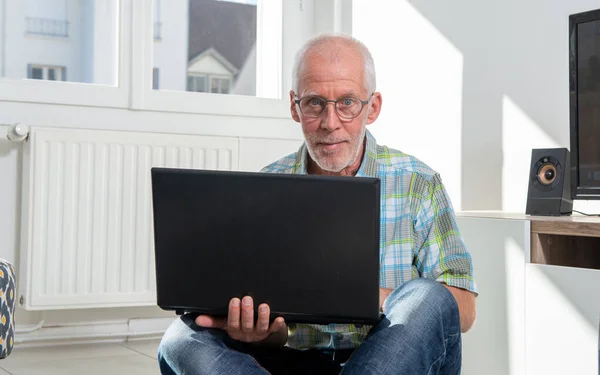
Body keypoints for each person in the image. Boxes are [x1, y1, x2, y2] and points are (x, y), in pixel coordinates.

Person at [157, 33, 478, 375]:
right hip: (295, 361)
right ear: (294, 107)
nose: (330, 122)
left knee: (428, 298)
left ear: (373, 108)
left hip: (389, 359)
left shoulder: (418, 183)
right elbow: (278, 335)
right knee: (182, 339)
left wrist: (375, 297)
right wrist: (264, 331)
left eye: (347, 103)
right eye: (314, 103)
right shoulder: (267, 184)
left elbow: (463, 310)